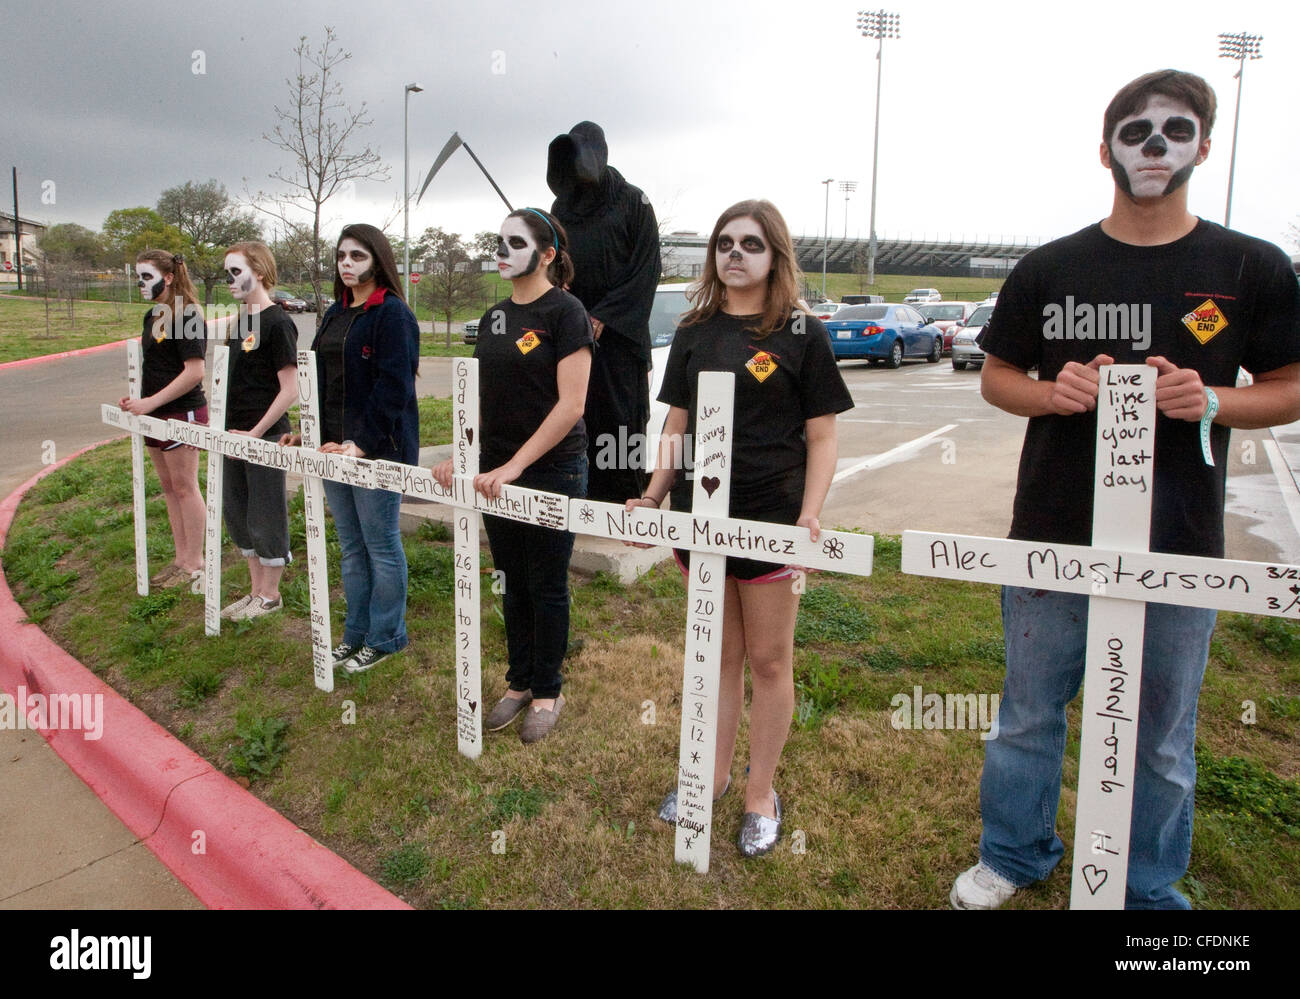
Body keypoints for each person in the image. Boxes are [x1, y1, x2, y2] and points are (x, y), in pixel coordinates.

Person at [951, 69, 1300, 910]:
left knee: (1163, 735)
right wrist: (1053, 391)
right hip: (1052, 531)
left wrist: (1215, 400)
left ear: (1204, 146)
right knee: (1029, 712)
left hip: (1179, 536)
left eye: (1175, 131)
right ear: (1103, 147)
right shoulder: (1050, 265)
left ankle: (1146, 884)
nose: (1153, 146)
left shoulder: (1250, 265)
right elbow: (996, 376)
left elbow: (1290, 382)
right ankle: (1016, 851)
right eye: (1135, 131)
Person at [627, 199, 852, 856]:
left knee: (770, 659)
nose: (734, 253)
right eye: (725, 242)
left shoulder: (801, 334)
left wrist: (810, 511)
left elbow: (823, 433)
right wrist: (651, 494)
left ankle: (761, 792)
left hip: (771, 520)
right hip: (700, 520)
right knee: (717, 657)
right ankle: (713, 774)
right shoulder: (696, 330)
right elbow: (676, 426)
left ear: (775, 255)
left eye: (751, 244)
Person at [433, 208, 592, 744]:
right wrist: (465, 454)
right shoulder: (494, 316)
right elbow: (482, 398)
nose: (501, 250)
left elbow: (571, 405)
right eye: (497, 240)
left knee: (546, 584)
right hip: (495, 474)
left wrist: (516, 465)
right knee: (511, 579)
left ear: (546, 255)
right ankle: (519, 681)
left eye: (515, 242)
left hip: (551, 470)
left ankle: (549, 690)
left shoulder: (566, 312)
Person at [283, 224, 420, 674]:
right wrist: (309, 430)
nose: (346, 264)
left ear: (377, 261)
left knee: (380, 545)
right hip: (331, 448)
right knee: (351, 546)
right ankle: (355, 634)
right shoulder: (334, 313)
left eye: (357, 256)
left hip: (377, 452)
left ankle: (387, 638)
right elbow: (321, 381)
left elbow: (394, 387)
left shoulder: (393, 313)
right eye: (341, 256)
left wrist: (361, 444)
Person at [547, 121, 661, 503]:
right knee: (576, 415)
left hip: (621, 341)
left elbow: (647, 271)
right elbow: (554, 261)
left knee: (621, 422)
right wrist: (561, 293)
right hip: (573, 336)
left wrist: (602, 317)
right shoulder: (561, 207)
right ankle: (579, 500)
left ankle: (621, 505)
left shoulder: (634, 201)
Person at [216, 241, 299, 621]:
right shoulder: (238, 322)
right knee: (239, 513)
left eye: (236, 271)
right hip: (231, 434)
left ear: (260, 272)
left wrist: (255, 432)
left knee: (266, 513)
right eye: (227, 272)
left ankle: (271, 594)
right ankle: (254, 591)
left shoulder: (279, 322)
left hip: (264, 437)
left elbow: (291, 389)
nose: (229, 280)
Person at [120, 250, 208, 591]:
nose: (139, 283)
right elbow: (156, 367)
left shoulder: (187, 314)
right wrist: (137, 402)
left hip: (182, 411)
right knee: (169, 488)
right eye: (138, 277)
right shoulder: (152, 315)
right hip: (153, 412)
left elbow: (194, 371)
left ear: (168, 277)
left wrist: (152, 402)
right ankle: (180, 559)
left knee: (186, 487)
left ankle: (195, 562)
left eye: (145, 277)